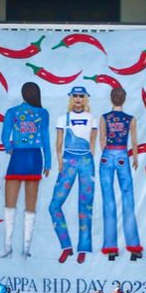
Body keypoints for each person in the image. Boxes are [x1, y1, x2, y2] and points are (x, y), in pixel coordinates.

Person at [48, 85, 98, 264]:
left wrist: (90, 161)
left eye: (81, 96)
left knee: (86, 206)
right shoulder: (63, 118)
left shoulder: (91, 119)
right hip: (68, 161)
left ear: (85, 98)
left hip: (86, 162)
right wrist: (60, 161)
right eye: (75, 96)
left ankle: (83, 248)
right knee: (54, 205)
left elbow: (93, 143)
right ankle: (66, 246)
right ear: (71, 98)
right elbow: (58, 143)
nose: (78, 99)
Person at [1, 81, 50, 258]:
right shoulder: (42, 113)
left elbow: (5, 136)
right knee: (30, 204)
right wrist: (48, 163)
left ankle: (8, 245)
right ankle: (25, 248)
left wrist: (9, 147)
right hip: (35, 158)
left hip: (18, 158)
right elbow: (45, 139)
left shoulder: (12, 112)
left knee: (10, 202)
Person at [99, 86, 142, 260]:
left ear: (111, 98)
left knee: (108, 200)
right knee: (128, 199)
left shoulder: (104, 118)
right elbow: (134, 141)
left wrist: (107, 154)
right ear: (123, 99)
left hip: (108, 155)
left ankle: (111, 248)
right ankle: (133, 246)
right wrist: (136, 158)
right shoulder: (130, 119)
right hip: (123, 155)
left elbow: (102, 140)